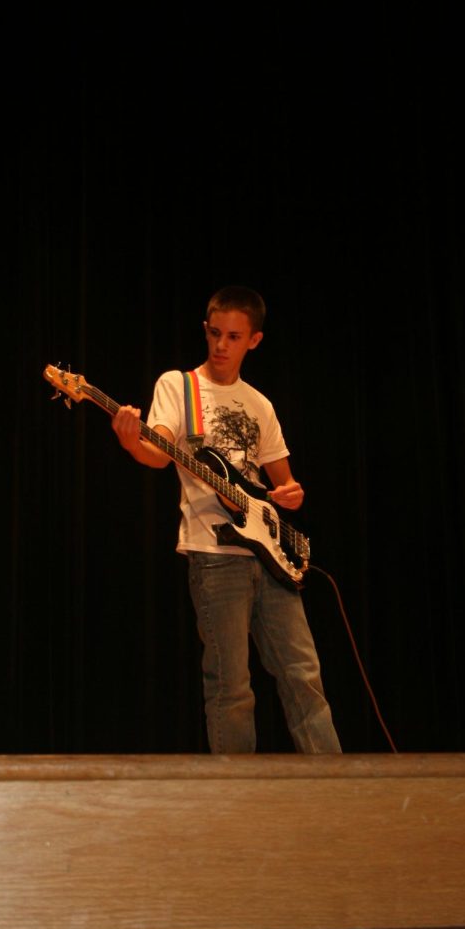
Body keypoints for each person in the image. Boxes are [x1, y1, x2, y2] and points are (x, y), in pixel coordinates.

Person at [111, 285, 342, 755]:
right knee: (231, 685)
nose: (220, 345)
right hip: (214, 556)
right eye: (215, 333)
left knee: (303, 674)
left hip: (271, 555)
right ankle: (237, 793)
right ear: (205, 329)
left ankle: (334, 783)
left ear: (253, 340)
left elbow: (284, 483)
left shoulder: (260, 404)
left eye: (233, 337)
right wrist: (132, 441)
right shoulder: (178, 386)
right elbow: (158, 452)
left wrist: (292, 495)